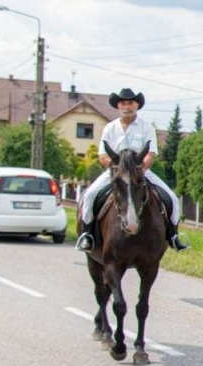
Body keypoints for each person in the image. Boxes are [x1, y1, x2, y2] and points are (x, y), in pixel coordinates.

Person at [75, 89, 188, 252]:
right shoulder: (110, 128)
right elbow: (102, 156)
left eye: (130, 103)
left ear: (137, 105)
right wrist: (117, 168)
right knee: (90, 195)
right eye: (123, 103)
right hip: (115, 173)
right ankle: (86, 235)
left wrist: (139, 169)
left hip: (140, 172)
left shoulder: (146, 127)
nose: (126, 107)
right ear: (118, 106)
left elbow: (150, 154)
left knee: (172, 198)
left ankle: (173, 236)